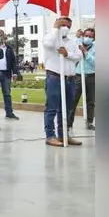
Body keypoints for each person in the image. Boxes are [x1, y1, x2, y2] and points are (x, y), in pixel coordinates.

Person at [42, 17, 83, 147]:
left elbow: (79, 56)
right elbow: (48, 44)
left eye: (68, 26)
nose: (65, 27)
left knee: (67, 109)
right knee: (52, 108)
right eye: (63, 24)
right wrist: (55, 28)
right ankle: (50, 135)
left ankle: (64, 134)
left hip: (70, 79)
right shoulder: (50, 37)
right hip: (55, 77)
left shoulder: (72, 42)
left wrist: (67, 54)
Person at [70, 27, 96, 132]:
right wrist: (77, 37)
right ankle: (69, 123)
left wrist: (86, 53)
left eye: (90, 37)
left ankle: (89, 122)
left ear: (94, 39)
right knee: (73, 100)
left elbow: (95, 63)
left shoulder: (95, 47)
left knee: (91, 101)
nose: (88, 38)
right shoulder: (77, 43)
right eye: (86, 36)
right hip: (78, 75)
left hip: (91, 76)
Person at [0, 29, 21, 120]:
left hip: (6, 73)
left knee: (7, 94)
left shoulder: (8, 48)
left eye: (0, 35)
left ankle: (9, 112)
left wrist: (15, 73)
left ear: (3, 37)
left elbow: (13, 61)